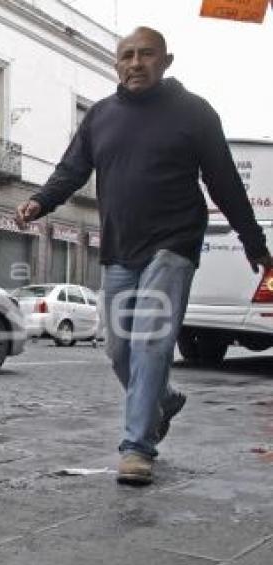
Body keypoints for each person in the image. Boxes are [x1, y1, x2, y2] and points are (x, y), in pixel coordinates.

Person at [15, 27, 273, 486]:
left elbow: (225, 182)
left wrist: (254, 242)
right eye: (127, 56)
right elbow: (71, 169)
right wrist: (40, 202)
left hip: (174, 243)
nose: (136, 63)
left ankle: (138, 447)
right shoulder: (101, 116)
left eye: (146, 55)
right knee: (117, 349)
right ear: (117, 64)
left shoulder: (194, 113)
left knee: (151, 339)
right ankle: (164, 400)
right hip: (119, 248)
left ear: (165, 61)